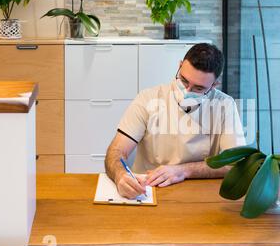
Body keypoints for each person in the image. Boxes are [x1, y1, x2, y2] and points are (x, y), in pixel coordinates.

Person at [105, 43, 246, 199]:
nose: (186, 92)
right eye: (184, 81)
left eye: (198, 88)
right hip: (148, 190)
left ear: (214, 85)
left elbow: (236, 165)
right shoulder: (148, 98)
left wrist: (183, 170)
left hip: (199, 193)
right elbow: (116, 151)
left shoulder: (225, 105)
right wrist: (120, 176)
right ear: (179, 66)